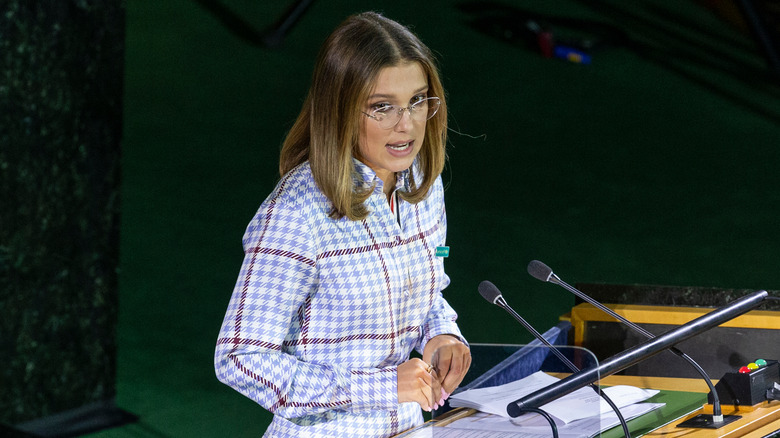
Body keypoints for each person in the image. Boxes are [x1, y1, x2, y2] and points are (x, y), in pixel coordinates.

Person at [214, 11, 471, 437]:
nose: (406, 125)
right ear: (342, 109)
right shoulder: (296, 214)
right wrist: (380, 386)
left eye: (418, 100)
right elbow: (240, 359)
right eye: (382, 107)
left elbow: (426, 288)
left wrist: (441, 335)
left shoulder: (425, 187)